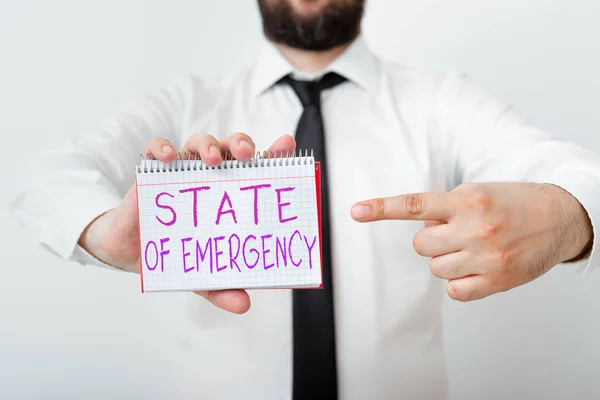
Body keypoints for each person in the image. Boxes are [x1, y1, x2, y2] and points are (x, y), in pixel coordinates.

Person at [10, 0, 600, 398]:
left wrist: (569, 215)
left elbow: (566, 169)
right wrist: (100, 231)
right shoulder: (186, 103)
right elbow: (45, 176)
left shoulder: (443, 101)